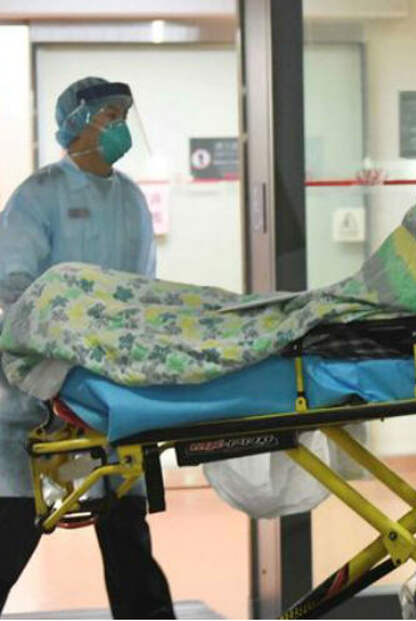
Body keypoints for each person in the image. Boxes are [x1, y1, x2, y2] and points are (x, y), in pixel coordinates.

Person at [0, 77, 173, 618]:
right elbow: (12, 282)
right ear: (76, 122)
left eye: (124, 114)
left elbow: (143, 290)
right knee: (14, 524)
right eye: (110, 115)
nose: (121, 126)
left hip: (114, 389)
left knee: (126, 530)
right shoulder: (40, 194)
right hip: (42, 388)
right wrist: (70, 330)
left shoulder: (132, 200)